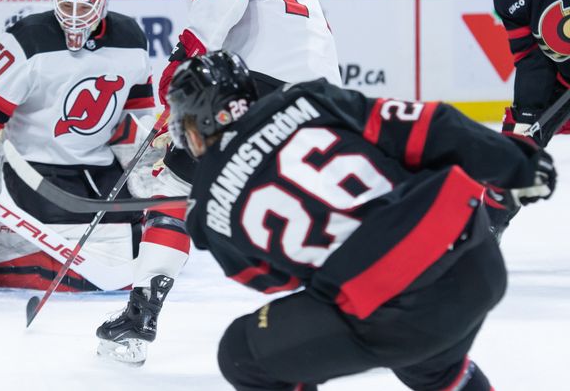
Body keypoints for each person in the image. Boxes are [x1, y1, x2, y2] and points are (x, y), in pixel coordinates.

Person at [167, 50, 557, 391]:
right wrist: (515, 164)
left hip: (396, 312)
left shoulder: (206, 211)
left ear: (198, 124)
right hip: (476, 258)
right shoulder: (307, 98)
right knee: (429, 364)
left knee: (242, 355)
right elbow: (427, 127)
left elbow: (276, 279)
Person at [95, 0, 341, 366]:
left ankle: (138, 317)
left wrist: (182, 63)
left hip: (258, 86)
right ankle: (362, 299)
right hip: (323, 97)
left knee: (172, 188)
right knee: (300, 203)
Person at [0, 0, 156, 290]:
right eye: (67, 5)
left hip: (99, 164)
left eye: (85, 6)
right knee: (80, 246)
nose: (75, 15)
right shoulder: (28, 38)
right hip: (36, 168)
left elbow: (138, 110)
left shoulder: (130, 37)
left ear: (104, 2)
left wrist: (148, 158)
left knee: (134, 234)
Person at [490, 0, 570, 236]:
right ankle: (485, 231)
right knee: (514, 152)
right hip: (559, 82)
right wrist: (526, 117)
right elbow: (529, 57)